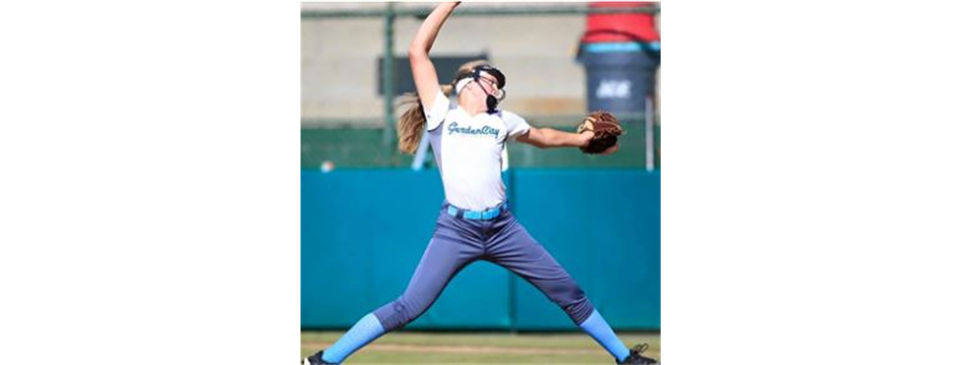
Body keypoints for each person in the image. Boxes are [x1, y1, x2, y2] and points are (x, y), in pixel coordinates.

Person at [304, 3, 656, 365]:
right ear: (471, 83)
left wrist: (580, 140)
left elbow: (542, 135)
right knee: (408, 306)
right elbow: (417, 50)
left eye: (494, 82)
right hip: (456, 231)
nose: (489, 81)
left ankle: (625, 359)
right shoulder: (442, 113)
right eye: (488, 76)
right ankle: (325, 361)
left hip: (503, 228)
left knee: (569, 291)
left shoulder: (502, 119)